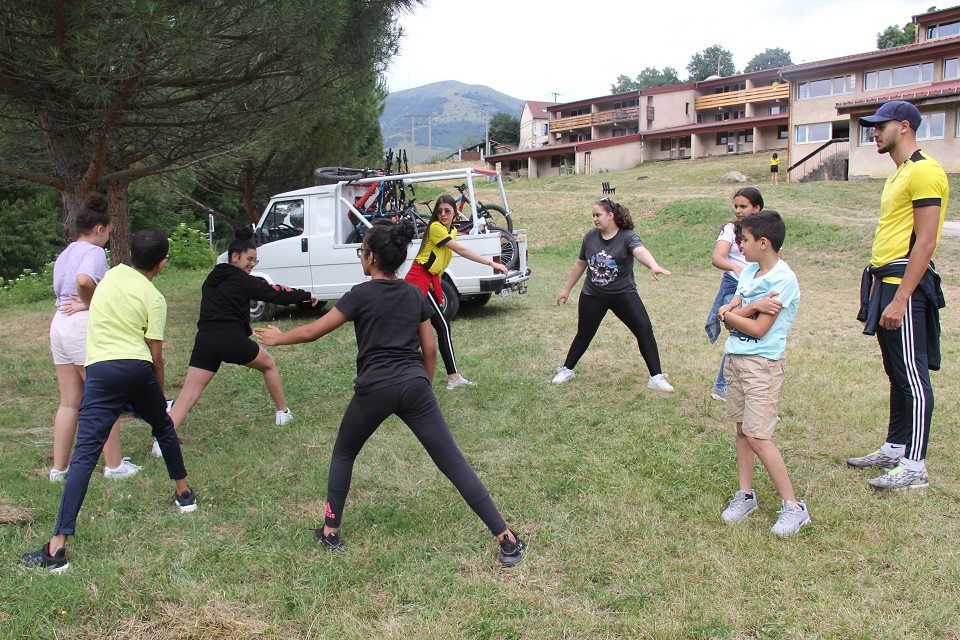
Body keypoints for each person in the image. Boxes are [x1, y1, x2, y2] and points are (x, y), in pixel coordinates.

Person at [255, 221, 525, 566]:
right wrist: (423, 386)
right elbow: (429, 348)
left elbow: (311, 332)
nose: (360, 256)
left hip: (373, 390)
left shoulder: (359, 295)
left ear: (370, 257)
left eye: (361, 251)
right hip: (414, 385)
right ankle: (506, 539)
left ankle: (330, 532)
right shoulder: (414, 293)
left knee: (344, 453)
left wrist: (280, 338)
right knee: (452, 461)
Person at [20, 230, 196, 573]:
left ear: (130, 254)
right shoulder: (155, 298)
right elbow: (156, 357)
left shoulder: (112, 273)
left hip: (101, 371)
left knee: (85, 454)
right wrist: (157, 396)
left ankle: (57, 548)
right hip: (137, 368)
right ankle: (184, 495)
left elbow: (90, 289)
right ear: (162, 264)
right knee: (163, 427)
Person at [847, 100, 948, 491]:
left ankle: (914, 466)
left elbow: (925, 241)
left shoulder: (925, 171)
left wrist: (903, 297)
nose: (873, 131)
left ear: (903, 127)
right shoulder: (899, 174)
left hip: (904, 283)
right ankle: (894, 447)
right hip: (884, 280)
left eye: (880, 125)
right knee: (895, 371)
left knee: (913, 375)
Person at [160, 229, 317, 452]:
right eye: (249, 259)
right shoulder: (243, 280)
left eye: (255, 260)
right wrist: (304, 295)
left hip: (205, 339)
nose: (252, 264)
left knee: (188, 394)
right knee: (269, 364)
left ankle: (162, 443)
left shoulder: (211, 279)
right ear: (235, 257)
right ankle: (283, 413)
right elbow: (274, 293)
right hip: (231, 338)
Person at [716, 210, 808, 536]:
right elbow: (731, 316)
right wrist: (751, 307)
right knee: (743, 430)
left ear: (763, 242)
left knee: (758, 435)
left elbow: (755, 330)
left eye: (744, 240)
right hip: (736, 362)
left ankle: (794, 508)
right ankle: (746, 495)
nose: (739, 245)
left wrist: (733, 313)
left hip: (762, 367)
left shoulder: (783, 279)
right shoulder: (749, 272)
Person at [48, 194, 139, 482]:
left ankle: (58, 469)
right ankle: (114, 466)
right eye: (109, 233)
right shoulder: (93, 252)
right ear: (100, 228)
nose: (108, 240)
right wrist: (90, 303)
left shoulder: (66, 252)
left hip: (59, 326)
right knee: (105, 396)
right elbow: (84, 281)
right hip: (81, 327)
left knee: (69, 401)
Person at [552, 198, 674, 392]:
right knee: (584, 334)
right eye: (593, 215)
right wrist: (566, 289)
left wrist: (653, 265)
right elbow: (580, 263)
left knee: (644, 329)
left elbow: (639, 251)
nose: (595, 219)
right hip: (593, 295)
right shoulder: (590, 237)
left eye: (598, 215)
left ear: (611, 215)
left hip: (623, 294)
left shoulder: (627, 236)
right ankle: (566, 369)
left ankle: (656, 377)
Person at [405, 195, 508, 390]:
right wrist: (491, 263)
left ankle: (448, 377)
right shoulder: (436, 228)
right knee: (435, 328)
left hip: (429, 281)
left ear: (454, 213)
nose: (443, 214)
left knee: (424, 331)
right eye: (440, 210)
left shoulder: (450, 230)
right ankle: (445, 378)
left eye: (447, 211)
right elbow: (461, 250)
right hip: (417, 283)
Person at [705, 188, 763, 401]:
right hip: (734, 286)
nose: (738, 211)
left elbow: (776, 258)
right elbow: (717, 258)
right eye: (736, 206)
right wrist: (737, 269)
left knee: (755, 337)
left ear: (757, 208)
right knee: (739, 333)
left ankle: (746, 385)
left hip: (759, 288)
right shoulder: (730, 229)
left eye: (743, 206)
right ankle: (722, 386)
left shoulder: (767, 229)